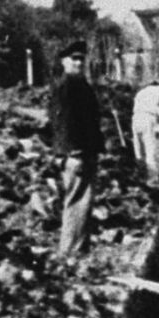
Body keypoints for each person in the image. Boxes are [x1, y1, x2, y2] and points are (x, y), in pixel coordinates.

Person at [47, 41, 103, 257]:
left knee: (84, 203)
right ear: (64, 61)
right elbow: (63, 124)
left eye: (81, 59)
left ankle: (79, 249)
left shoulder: (82, 86)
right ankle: (70, 252)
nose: (78, 62)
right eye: (74, 59)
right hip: (76, 154)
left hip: (87, 152)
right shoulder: (66, 87)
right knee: (77, 202)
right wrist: (71, 154)